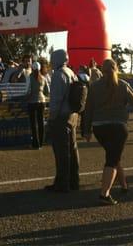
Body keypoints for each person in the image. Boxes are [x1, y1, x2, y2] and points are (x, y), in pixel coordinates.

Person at [83, 59, 133, 205]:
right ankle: (104, 194)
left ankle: (124, 185)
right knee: (112, 159)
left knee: (113, 154)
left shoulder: (94, 87)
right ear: (116, 69)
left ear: (102, 70)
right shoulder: (122, 85)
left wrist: (86, 129)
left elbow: (88, 109)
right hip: (119, 127)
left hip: (99, 127)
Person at [45, 49, 80, 193]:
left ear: (57, 59)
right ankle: (74, 181)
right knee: (72, 149)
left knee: (61, 152)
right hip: (72, 116)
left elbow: (56, 100)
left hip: (61, 117)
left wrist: (50, 119)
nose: (51, 62)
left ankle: (62, 183)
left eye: (52, 58)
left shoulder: (58, 75)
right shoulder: (71, 72)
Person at [27, 61, 49, 149]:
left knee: (33, 124)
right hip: (42, 101)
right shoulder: (43, 78)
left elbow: (27, 90)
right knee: (41, 123)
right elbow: (47, 91)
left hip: (32, 102)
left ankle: (35, 144)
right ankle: (41, 142)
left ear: (32, 68)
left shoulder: (30, 77)